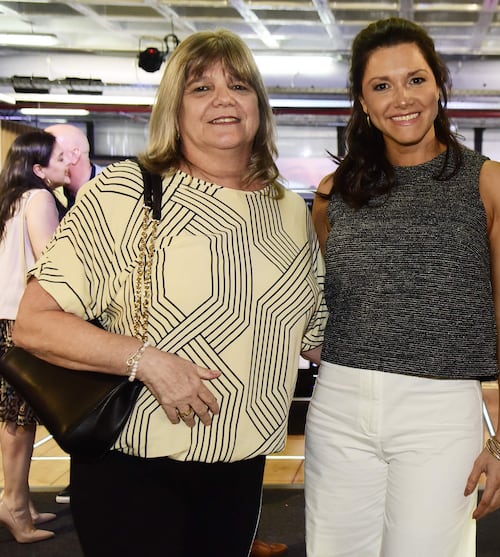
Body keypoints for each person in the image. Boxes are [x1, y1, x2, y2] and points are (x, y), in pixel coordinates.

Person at [13, 29, 327, 557]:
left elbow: (314, 335)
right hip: (135, 470)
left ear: (259, 106)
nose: (225, 100)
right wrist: (149, 362)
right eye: (201, 88)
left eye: (240, 85)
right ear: (173, 109)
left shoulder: (289, 210)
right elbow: (34, 323)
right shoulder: (125, 192)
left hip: (241, 471)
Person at [304, 17, 500, 557]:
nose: (401, 98)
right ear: (361, 100)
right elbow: (326, 295)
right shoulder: (335, 192)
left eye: (416, 79)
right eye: (381, 85)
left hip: (439, 410)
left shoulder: (488, 181)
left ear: (438, 85)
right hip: (338, 403)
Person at [0, 130, 71, 543]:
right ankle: (13, 506)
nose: (68, 162)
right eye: (59, 157)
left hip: (4, 317)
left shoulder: (11, 198)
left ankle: (20, 501)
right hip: (22, 320)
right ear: (39, 168)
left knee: (13, 418)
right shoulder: (40, 198)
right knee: (19, 419)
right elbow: (51, 261)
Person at [44, 122, 103, 505]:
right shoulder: (52, 197)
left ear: (73, 155)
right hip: (69, 315)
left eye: (50, 153)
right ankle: (83, 477)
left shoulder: (112, 190)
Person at [44, 124, 103, 221]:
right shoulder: (52, 195)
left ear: (74, 155)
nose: (44, 162)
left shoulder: (111, 186)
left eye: (50, 154)